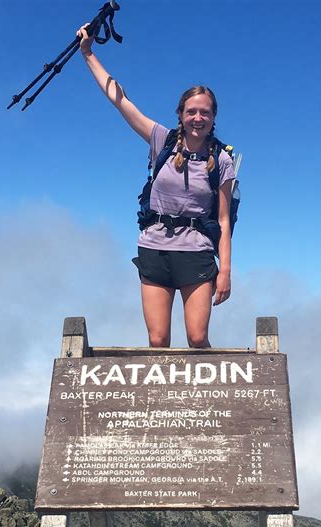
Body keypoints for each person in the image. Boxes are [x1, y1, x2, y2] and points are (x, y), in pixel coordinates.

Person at [77, 24, 235, 348]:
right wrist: (88, 54)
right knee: (158, 340)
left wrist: (226, 271)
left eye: (204, 112)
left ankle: (207, 400)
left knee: (197, 337)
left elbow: (223, 220)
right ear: (180, 114)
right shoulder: (162, 140)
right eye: (191, 111)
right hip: (155, 247)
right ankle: (161, 401)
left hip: (197, 252)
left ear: (213, 116)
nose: (197, 118)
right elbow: (120, 101)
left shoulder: (221, 160)